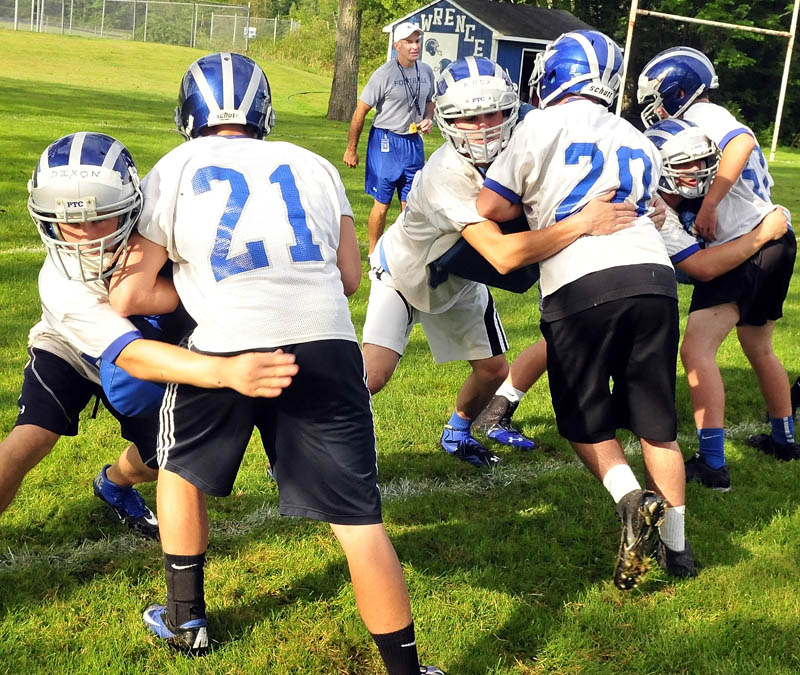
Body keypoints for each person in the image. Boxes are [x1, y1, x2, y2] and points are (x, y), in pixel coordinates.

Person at [108, 52, 443, 674]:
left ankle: (187, 621)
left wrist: (210, 285)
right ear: (264, 111)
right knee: (358, 521)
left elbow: (129, 293)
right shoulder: (314, 165)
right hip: (327, 343)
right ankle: (404, 669)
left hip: (227, 342)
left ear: (189, 112)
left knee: (179, 469)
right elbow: (347, 278)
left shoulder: (176, 167)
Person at [476, 30, 694, 587]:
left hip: (582, 280)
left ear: (555, 74)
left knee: (583, 416)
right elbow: (654, 212)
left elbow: (492, 203)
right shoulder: (638, 137)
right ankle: (679, 552)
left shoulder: (539, 125)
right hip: (654, 280)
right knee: (656, 423)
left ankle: (629, 500)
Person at [1, 132, 297, 541]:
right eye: (69, 221)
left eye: (98, 217)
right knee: (29, 438)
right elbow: (135, 355)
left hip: (147, 350)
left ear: (129, 206)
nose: (85, 234)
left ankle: (113, 482)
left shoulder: (164, 222)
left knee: (163, 459)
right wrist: (224, 370)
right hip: (71, 347)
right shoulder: (60, 283)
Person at [363, 56, 638, 469]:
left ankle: (457, 432)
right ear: (447, 119)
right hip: (404, 275)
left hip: (457, 277)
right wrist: (583, 222)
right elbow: (504, 256)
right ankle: (313, 435)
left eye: (493, 112)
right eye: (469, 117)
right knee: (374, 375)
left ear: (512, 108)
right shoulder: (445, 172)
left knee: (493, 372)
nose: (484, 125)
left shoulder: (525, 136)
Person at [638, 48, 799, 489]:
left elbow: (741, 142)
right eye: (684, 165)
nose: (693, 170)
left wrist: (709, 206)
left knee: (696, 351)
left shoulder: (706, 119)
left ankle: (713, 465)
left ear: (677, 91)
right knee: (758, 346)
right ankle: (785, 439)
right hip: (773, 241)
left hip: (745, 246)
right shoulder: (697, 139)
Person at [343, 21, 435, 253]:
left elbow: (429, 101)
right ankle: (374, 254)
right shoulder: (384, 74)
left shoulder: (426, 71)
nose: (415, 46)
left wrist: (427, 118)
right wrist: (351, 149)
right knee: (382, 204)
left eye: (417, 41)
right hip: (386, 142)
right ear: (397, 46)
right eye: (409, 42)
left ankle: (408, 254)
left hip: (413, 143)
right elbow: (360, 111)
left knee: (412, 204)